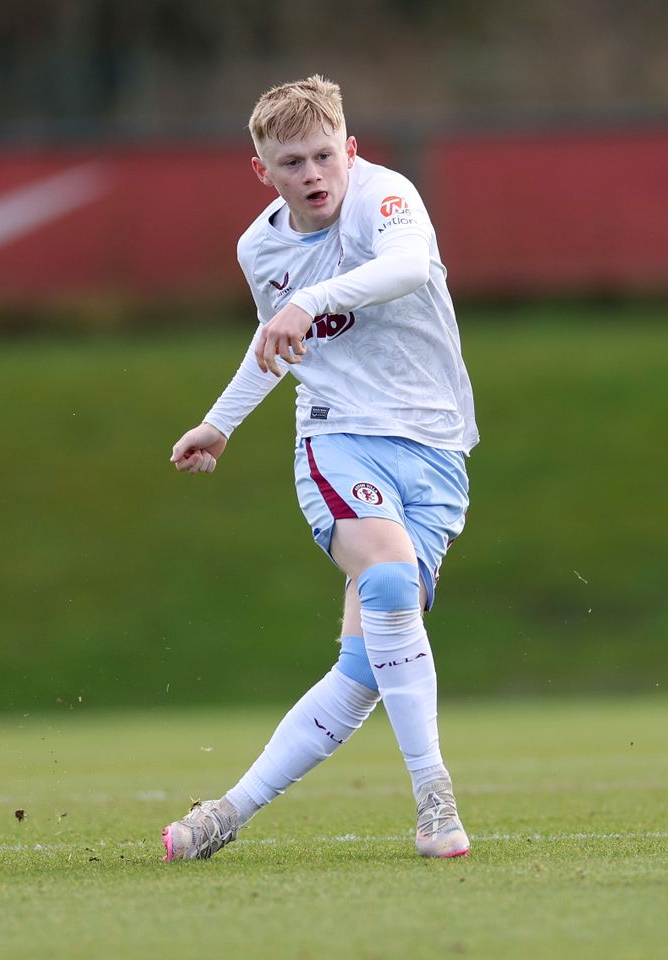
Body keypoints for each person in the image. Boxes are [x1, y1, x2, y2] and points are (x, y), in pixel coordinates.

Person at [160, 75, 478, 861]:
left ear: (352, 150)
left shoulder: (388, 197)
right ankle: (435, 799)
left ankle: (224, 814)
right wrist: (220, 422)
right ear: (261, 171)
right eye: (292, 161)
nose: (313, 174)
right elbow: (279, 343)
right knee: (392, 583)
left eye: (325, 154)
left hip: (437, 448)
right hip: (338, 441)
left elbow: (405, 267)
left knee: (368, 665)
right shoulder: (260, 246)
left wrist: (312, 300)